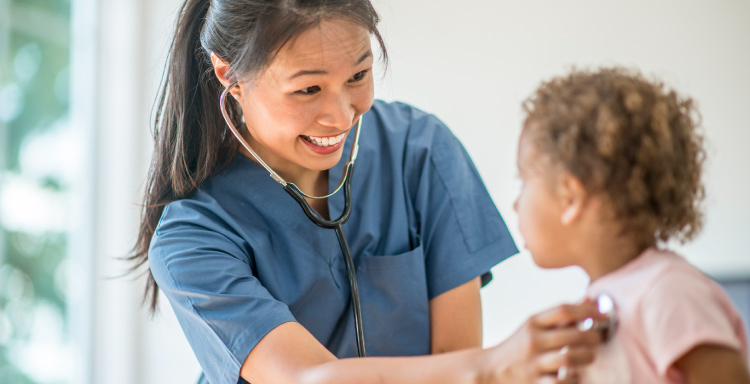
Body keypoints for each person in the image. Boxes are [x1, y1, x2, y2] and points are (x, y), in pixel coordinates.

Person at [131, 1, 604, 383]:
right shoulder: (191, 239)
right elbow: (310, 379)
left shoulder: (419, 150)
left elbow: (457, 359)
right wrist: (500, 364)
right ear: (228, 76)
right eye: (308, 90)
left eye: (358, 76)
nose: (340, 116)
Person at [514, 67, 750, 383]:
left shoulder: (670, 294)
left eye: (524, 180)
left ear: (570, 198)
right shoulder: (606, 302)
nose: (516, 203)